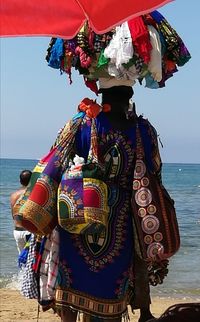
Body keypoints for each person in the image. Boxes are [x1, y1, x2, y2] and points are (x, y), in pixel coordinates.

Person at [38, 79, 161, 322]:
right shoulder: (143, 130)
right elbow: (155, 172)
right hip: (121, 222)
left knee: (71, 282)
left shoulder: (80, 123)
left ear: (102, 97)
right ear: (129, 99)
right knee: (111, 289)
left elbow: (56, 157)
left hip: (77, 217)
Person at [10, 169, 32, 254]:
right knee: (32, 260)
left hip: (17, 231)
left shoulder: (13, 195)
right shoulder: (33, 194)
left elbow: (13, 215)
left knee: (22, 260)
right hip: (29, 231)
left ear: (20, 181)